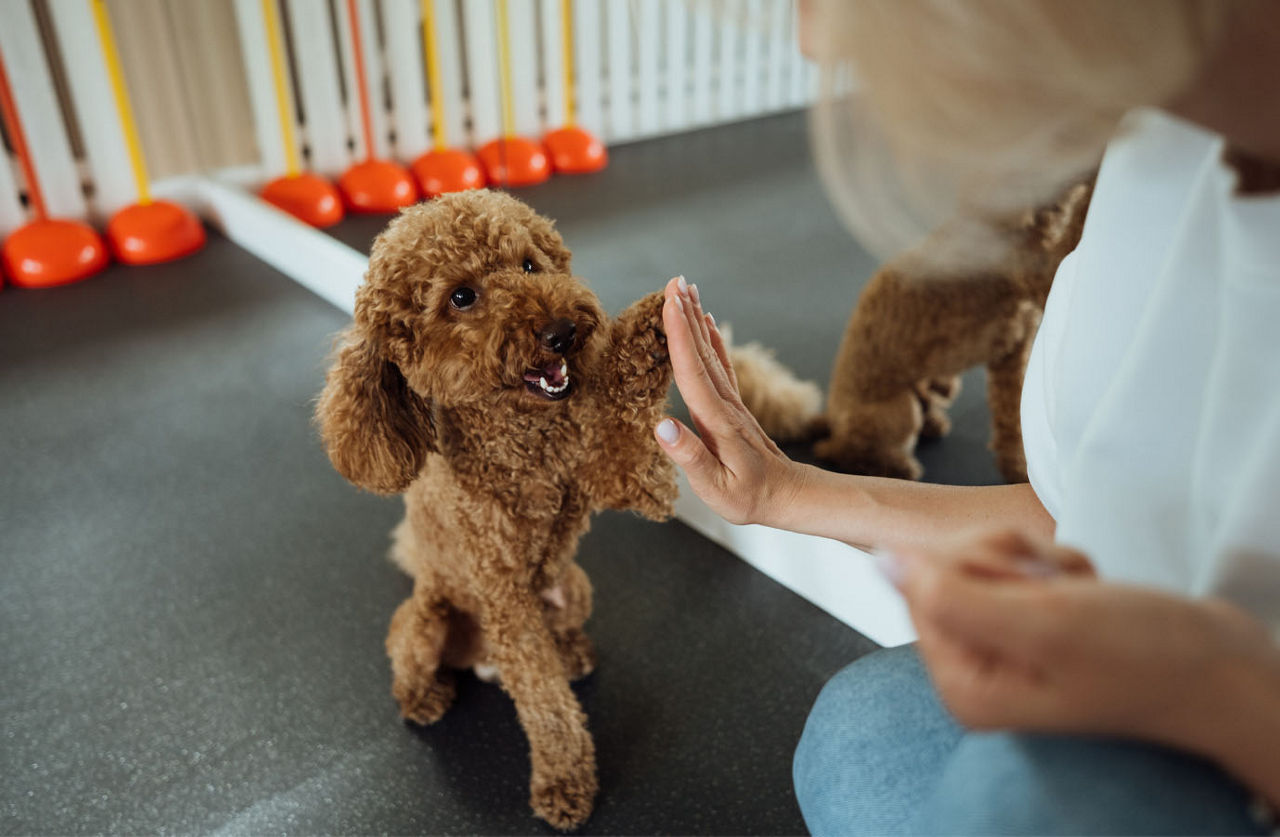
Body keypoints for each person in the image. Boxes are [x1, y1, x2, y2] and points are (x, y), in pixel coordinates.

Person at [652, 1, 1280, 833]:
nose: (814, 40)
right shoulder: (1152, 158)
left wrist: (1210, 689)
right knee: (862, 728)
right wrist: (784, 492)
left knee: (1012, 800)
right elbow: (1084, 516)